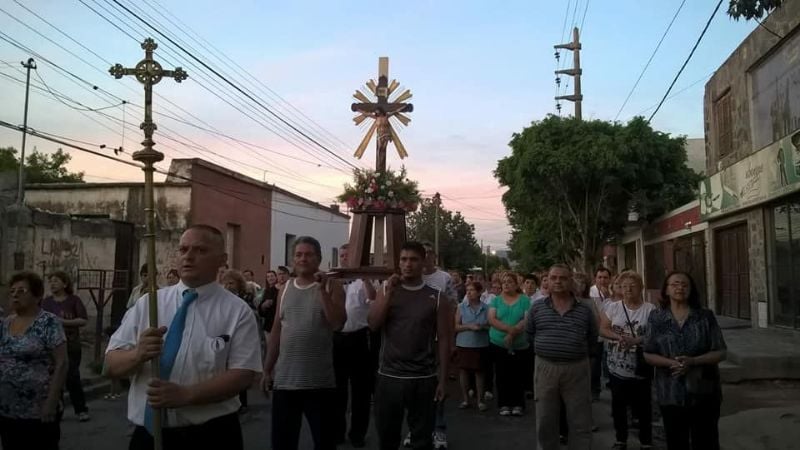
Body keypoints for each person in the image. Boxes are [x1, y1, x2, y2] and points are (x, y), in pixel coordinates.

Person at [105, 224, 263, 450]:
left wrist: (186, 395)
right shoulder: (149, 305)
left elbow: (243, 374)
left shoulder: (237, 311)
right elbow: (110, 364)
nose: (188, 257)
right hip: (149, 435)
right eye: (183, 249)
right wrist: (137, 354)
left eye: (200, 250)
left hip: (211, 434)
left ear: (222, 259)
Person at [263, 236, 346, 450]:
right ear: (293, 259)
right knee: (283, 443)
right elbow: (276, 332)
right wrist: (267, 369)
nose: (303, 259)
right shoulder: (285, 288)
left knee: (325, 442)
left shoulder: (333, 286)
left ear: (318, 258)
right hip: (285, 382)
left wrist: (322, 290)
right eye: (298, 254)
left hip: (320, 382)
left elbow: (337, 323)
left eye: (308, 254)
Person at [369, 241, 451, 450]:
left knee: (422, 440)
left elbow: (444, 338)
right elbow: (374, 324)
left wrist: (442, 380)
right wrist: (388, 293)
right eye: (404, 259)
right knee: (388, 438)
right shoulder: (388, 289)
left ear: (423, 262)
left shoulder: (437, 297)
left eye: (413, 260)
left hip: (423, 379)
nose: (408, 264)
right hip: (390, 376)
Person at [644, 271, 727, 450]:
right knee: (676, 442)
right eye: (674, 284)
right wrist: (672, 363)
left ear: (691, 290)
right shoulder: (656, 318)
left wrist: (693, 361)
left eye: (684, 284)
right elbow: (648, 353)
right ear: (666, 290)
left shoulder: (705, 317)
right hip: (670, 393)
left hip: (704, 392)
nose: (679, 287)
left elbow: (720, 351)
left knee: (706, 441)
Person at [526, 264, 598, 450]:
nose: (558, 281)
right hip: (545, 368)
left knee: (580, 420)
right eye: (554, 278)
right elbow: (530, 334)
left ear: (570, 281)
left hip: (577, 369)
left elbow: (592, 338)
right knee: (545, 419)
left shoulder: (585, 309)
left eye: (563, 278)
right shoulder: (536, 308)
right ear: (547, 281)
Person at [0, 271, 68, 450]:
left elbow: (62, 363)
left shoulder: (48, 322)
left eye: (21, 290)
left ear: (37, 296)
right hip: (7, 409)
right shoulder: (5, 323)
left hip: (38, 411)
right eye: (12, 291)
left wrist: (51, 403)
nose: (15, 294)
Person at [599, 271, 656, 450]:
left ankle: (646, 441)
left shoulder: (650, 309)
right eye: (624, 286)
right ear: (619, 289)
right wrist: (618, 337)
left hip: (642, 364)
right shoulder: (613, 307)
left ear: (641, 288)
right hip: (616, 365)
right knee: (619, 404)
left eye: (633, 285)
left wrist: (636, 340)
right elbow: (602, 329)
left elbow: (655, 335)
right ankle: (621, 439)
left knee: (644, 404)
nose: (628, 289)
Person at [332, 243, 377, 448]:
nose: (343, 258)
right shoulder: (334, 280)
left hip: (359, 338)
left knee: (361, 391)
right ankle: (337, 431)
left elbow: (373, 298)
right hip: (337, 339)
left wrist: (364, 276)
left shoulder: (363, 281)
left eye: (347, 255)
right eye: (341, 255)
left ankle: (357, 434)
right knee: (337, 390)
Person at [40, 271, 91, 423]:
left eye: (56, 280)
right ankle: (57, 409)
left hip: (71, 345)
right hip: (51, 347)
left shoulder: (74, 300)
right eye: (51, 281)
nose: (53, 284)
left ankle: (81, 409)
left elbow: (83, 320)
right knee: (54, 378)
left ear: (65, 284)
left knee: (72, 377)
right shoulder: (46, 302)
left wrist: (62, 322)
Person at [487, 272, 531, 416]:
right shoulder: (496, 300)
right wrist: (508, 330)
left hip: (519, 344)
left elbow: (527, 319)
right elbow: (492, 319)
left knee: (518, 374)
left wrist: (513, 333)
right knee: (502, 374)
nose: (506, 284)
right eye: (504, 282)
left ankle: (518, 404)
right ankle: (504, 404)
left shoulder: (524, 300)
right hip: (499, 343)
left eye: (510, 282)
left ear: (516, 284)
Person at [220, 269, 256, 414]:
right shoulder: (221, 299)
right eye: (226, 283)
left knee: (240, 366)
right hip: (226, 335)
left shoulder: (245, 297)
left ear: (238, 283)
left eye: (231, 283)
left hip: (241, 334)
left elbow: (253, 312)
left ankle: (243, 402)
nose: (228, 286)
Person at [454, 281, 489, 411]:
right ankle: (465, 399)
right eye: (467, 290)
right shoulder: (461, 307)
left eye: (472, 290)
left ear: (479, 292)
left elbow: (490, 325)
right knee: (463, 371)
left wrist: (482, 327)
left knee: (479, 372)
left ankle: (480, 400)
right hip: (464, 343)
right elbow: (455, 326)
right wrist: (469, 326)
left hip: (481, 343)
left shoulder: (486, 308)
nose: (469, 292)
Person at [589, 267, 613, 400]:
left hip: (610, 333)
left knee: (609, 361)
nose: (603, 280)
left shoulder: (612, 292)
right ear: (595, 278)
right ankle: (595, 389)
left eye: (605, 277)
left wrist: (609, 296)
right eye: (600, 277)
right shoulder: (591, 293)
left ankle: (611, 384)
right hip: (596, 333)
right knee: (595, 364)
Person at [257, 270, 279, 347]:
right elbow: (260, 310)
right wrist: (263, 306)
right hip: (268, 325)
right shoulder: (265, 291)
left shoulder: (280, 290)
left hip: (278, 324)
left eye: (272, 276)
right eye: (268, 277)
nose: (270, 278)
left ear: (276, 277)